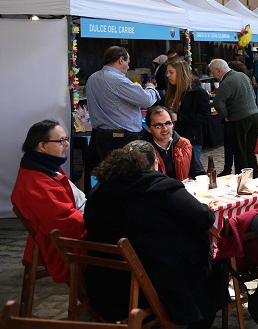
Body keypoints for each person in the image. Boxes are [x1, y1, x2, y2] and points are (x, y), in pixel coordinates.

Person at [84, 145, 223, 327]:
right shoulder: (161, 188)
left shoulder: (98, 194)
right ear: (154, 163)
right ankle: (201, 317)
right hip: (155, 284)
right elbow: (204, 217)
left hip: (105, 285)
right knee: (213, 256)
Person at [11, 120, 86, 284]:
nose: (66, 145)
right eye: (60, 141)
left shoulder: (43, 166)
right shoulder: (37, 182)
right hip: (64, 245)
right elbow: (67, 223)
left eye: (67, 139)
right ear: (42, 146)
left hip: (66, 232)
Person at [85, 46, 160, 189]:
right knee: (128, 181)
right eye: (128, 62)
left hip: (101, 137)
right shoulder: (117, 80)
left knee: (109, 180)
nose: (128, 66)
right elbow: (146, 100)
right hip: (121, 138)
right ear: (121, 60)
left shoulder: (92, 78)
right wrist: (150, 88)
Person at [209, 59, 258, 177]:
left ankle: (242, 180)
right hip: (254, 115)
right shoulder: (242, 75)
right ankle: (256, 176)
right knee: (249, 150)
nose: (214, 75)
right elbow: (252, 94)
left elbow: (217, 102)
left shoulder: (226, 82)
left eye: (213, 72)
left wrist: (226, 115)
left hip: (239, 118)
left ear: (218, 70)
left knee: (239, 151)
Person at [163, 60, 211, 162]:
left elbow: (205, 116)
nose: (168, 75)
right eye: (167, 72)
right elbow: (159, 105)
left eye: (171, 72)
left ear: (181, 73)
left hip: (191, 140)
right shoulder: (171, 92)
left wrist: (180, 117)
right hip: (171, 139)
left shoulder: (198, 93)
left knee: (190, 172)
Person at [143, 105, 205, 180]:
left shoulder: (184, 144)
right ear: (149, 128)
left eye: (168, 123)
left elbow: (199, 173)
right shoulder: (143, 152)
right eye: (158, 126)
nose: (165, 129)